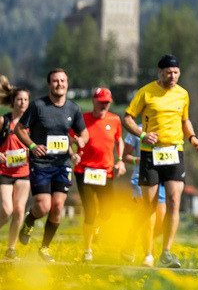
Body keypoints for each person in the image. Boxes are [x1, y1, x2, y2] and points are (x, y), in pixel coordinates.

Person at [122, 55, 198, 268]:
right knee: (148, 207)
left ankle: (166, 253)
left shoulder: (183, 94)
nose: (172, 77)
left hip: (175, 152)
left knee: (174, 202)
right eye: (168, 73)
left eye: (176, 73)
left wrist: (193, 138)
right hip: (151, 153)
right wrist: (141, 136)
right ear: (160, 73)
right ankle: (134, 242)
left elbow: (185, 120)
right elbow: (127, 117)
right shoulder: (146, 92)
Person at [16, 68, 86, 262]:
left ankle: (45, 247)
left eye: (63, 81)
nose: (59, 84)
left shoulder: (73, 108)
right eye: (55, 81)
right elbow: (19, 128)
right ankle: (30, 220)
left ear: (67, 83)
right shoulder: (38, 106)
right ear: (49, 85)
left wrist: (81, 140)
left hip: (62, 164)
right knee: (43, 206)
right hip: (40, 164)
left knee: (57, 207)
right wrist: (31, 145)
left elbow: (83, 133)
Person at [73, 87, 126, 262]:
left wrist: (120, 161)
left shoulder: (115, 119)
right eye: (101, 102)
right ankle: (87, 251)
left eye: (107, 103)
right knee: (90, 211)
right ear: (94, 101)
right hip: (84, 170)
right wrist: (74, 148)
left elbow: (119, 140)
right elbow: (70, 137)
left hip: (106, 171)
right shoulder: (82, 119)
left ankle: (95, 229)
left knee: (108, 211)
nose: (104, 106)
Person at [119, 131, 166, 263]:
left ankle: (130, 240)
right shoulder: (137, 130)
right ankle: (148, 255)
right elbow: (125, 156)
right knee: (149, 217)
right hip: (141, 178)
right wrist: (138, 160)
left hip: (162, 179)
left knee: (162, 222)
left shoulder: (167, 126)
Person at [0, 77, 31, 261]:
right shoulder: (4, 121)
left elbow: (38, 145)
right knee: (6, 211)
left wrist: (33, 151)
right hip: (4, 172)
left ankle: (10, 249)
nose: (22, 103)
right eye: (19, 99)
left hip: (23, 173)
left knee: (19, 211)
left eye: (26, 100)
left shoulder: (32, 125)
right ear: (13, 102)